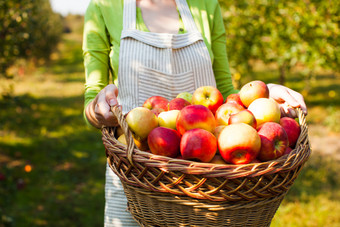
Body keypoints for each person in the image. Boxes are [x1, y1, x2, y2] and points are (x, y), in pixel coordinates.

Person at [82, 0, 308, 226]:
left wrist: (264, 96)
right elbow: (92, 97)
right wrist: (97, 111)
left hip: (208, 185)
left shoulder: (206, 5)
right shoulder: (104, 7)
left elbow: (226, 92)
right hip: (136, 177)